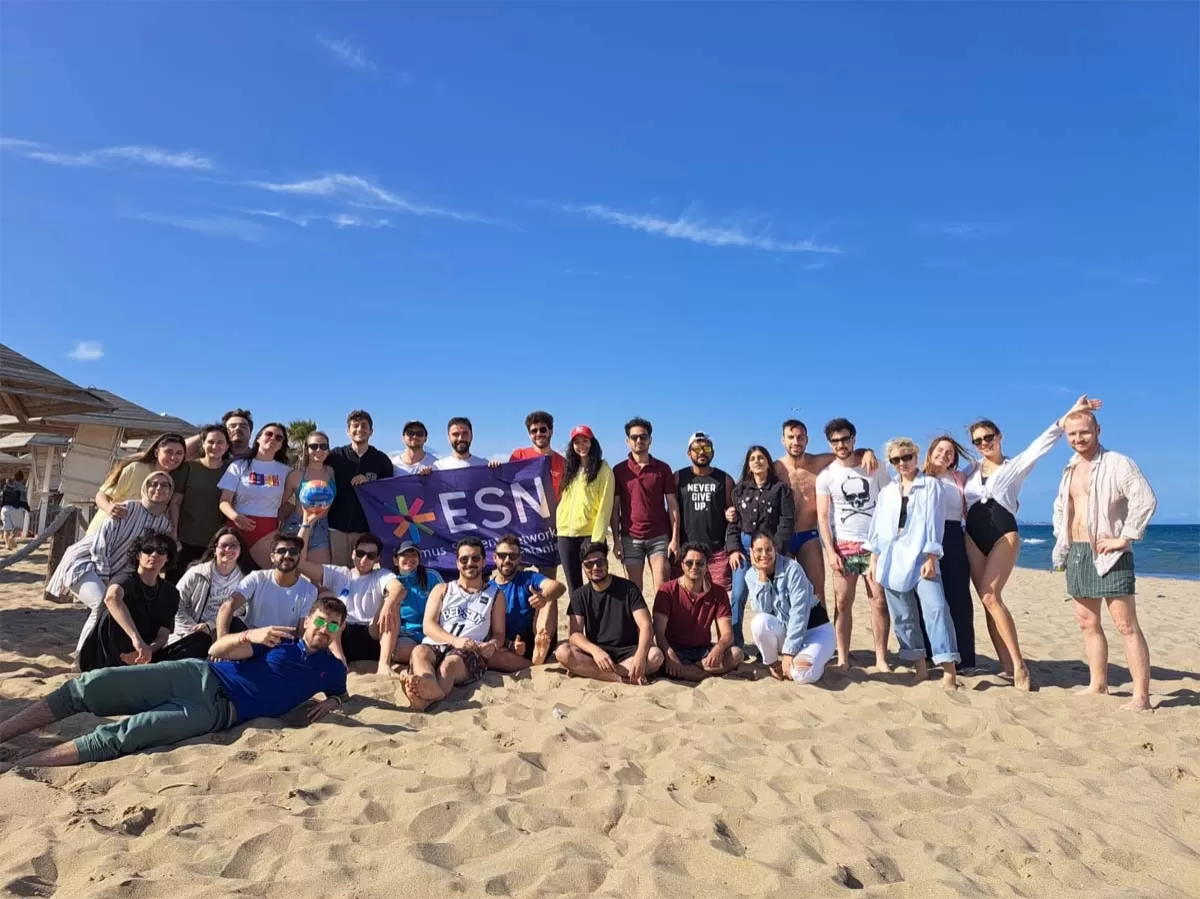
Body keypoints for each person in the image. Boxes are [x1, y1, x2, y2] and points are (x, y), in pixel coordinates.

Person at [0, 596, 350, 769]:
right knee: (92, 685)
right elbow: (217, 649)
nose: (324, 630)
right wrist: (251, 636)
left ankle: (19, 765)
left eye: (333, 625)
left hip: (218, 712)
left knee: (130, 735)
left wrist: (332, 702)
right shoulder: (277, 638)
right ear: (308, 620)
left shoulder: (331, 669)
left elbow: (341, 692)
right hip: (198, 673)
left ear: (340, 629)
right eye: (321, 621)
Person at [964, 395, 1101, 691]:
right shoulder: (969, 472)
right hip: (972, 537)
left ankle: (1019, 665)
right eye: (978, 440)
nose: (985, 443)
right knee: (988, 603)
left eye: (989, 437)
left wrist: (1072, 413)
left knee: (991, 596)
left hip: (1003, 534)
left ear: (1000, 437)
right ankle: (1005, 666)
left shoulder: (1016, 465)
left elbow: (1044, 441)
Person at [1052, 407, 1157, 711]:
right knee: (1087, 622)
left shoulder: (1117, 463)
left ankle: (1141, 696)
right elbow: (1061, 508)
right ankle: (1098, 685)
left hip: (1110, 552)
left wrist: (1125, 537)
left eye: (1084, 431)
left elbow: (1145, 498)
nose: (1078, 438)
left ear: (1098, 430)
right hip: (1078, 551)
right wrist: (1064, 539)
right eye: (1072, 434)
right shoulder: (1070, 468)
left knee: (1126, 625)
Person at [47, 471, 176, 656]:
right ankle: (81, 654)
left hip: (117, 571)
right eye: (153, 484)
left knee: (113, 608)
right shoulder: (127, 508)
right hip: (87, 562)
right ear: (145, 488)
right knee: (102, 603)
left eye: (165, 485)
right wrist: (106, 578)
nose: (159, 488)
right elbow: (101, 544)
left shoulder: (164, 525)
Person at [865, 439, 959, 689]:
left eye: (906, 457)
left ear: (915, 456)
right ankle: (920, 669)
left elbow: (935, 524)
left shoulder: (931, 486)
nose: (902, 463)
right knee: (904, 617)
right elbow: (878, 528)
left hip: (921, 558)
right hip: (891, 560)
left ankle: (949, 671)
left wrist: (931, 556)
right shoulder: (887, 491)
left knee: (937, 610)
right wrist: (873, 559)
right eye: (896, 460)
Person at [815, 418, 892, 670]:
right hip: (844, 545)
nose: (841, 444)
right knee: (842, 602)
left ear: (853, 439)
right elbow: (823, 517)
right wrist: (830, 551)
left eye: (845, 439)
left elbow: (890, 503)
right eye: (835, 441)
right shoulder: (826, 476)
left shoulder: (875, 467)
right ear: (830, 443)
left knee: (878, 601)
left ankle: (881, 658)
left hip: (873, 545)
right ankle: (843, 659)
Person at [776, 419, 878, 603]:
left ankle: (820, 632)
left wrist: (868, 452)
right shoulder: (775, 468)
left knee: (818, 592)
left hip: (809, 535)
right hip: (783, 536)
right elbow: (748, 486)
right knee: (783, 594)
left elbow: (846, 453)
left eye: (800, 437)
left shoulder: (819, 462)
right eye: (790, 437)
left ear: (807, 440)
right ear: (783, 440)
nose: (796, 441)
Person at [400, 537, 506, 711]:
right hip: (440, 643)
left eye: (475, 558)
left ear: (483, 562)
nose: (469, 563)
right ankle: (427, 687)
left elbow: (499, 634)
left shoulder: (495, 595)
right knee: (419, 651)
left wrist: (493, 645)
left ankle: (426, 697)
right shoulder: (443, 589)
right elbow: (428, 625)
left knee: (450, 665)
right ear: (457, 563)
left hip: (469, 650)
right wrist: (454, 640)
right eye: (464, 559)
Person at [296, 514, 405, 677]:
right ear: (353, 554)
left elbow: (399, 588)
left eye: (371, 555)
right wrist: (306, 525)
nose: (364, 559)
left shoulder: (381, 575)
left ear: (377, 559)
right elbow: (300, 563)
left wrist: (389, 604)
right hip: (341, 636)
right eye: (361, 553)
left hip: (373, 635)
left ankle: (384, 665)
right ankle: (340, 663)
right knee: (331, 611)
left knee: (392, 606)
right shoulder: (339, 573)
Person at [554, 540, 663, 684]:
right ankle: (621, 678)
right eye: (589, 564)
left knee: (655, 656)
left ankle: (592, 672)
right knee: (563, 652)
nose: (595, 567)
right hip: (597, 653)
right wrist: (595, 651)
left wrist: (640, 656)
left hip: (628, 651)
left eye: (600, 562)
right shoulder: (579, 595)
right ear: (583, 567)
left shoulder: (628, 588)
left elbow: (646, 625)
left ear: (607, 562)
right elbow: (575, 634)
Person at [76, 532, 179, 671]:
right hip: (109, 653)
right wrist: (137, 641)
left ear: (167, 558)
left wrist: (147, 650)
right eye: (148, 550)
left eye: (161, 551)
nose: (154, 554)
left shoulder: (170, 592)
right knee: (112, 615)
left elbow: (163, 633)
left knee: (198, 641)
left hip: (145, 656)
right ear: (138, 555)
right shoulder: (126, 578)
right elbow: (111, 597)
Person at [726, 445, 794, 652]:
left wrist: (775, 550)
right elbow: (733, 523)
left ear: (768, 462)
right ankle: (736, 644)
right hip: (745, 549)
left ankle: (773, 644)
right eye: (753, 458)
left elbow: (786, 521)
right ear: (748, 464)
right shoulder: (739, 490)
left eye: (761, 458)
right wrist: (734, 549)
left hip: (770, 550)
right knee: (738, 595)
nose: (757, 461)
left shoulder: (781, 489)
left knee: (772, 597)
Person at [744, 532, 835, 684]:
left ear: (776, 549)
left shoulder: (793, 569)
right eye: (759, 550)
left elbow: (799, 613)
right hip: (787, 631)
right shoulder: (750, 576)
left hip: (815, 630)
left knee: (800, 674)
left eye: (768, 549)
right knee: (758, 622)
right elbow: (763, 610)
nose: (764, 555)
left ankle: (816, 661)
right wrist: (762, 575)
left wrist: (789, 652)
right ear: (751, 552)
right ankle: (774, 664)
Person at [922, 436, 977, 670]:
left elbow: (983, 468)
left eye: (950, 452)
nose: (945, 455)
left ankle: (964, 658)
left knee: (959, 599)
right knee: (928, 600)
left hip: (953, 536)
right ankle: (929, 655)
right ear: (931, 451)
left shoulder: (959, 478)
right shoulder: (918, 477)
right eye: (940, 450)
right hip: (924, 539)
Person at [653, 543, 743, 681]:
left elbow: (727, 634)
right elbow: (658, 632)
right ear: (682, 565)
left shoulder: (718, 593)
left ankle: (690, 671)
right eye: (689, 563)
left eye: (700, 563)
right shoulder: (667, 590)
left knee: (737, 654)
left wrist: (719, 648)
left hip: (702, 652)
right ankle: (703, 674)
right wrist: (669, 652)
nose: (694, 567)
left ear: (707, 566)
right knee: (657, 658)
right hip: (674, 649)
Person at [611, 417, 680, 593]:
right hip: (630, 537)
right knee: (634, 590)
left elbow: (672, 504)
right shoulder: (619, 470)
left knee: (662, 587)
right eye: (634, 437)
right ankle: (638, 622)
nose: (639, 441)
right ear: (627, 441)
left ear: (650, 439)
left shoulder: (663, 468)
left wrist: (675, 539)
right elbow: (615, 507)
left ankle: (660, 622)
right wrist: (617, 541)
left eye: (643, 436)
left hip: (658, 537)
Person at [485, 534, 567, 672]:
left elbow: (559, 587)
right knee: (492, 655)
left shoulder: (528, 578)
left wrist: (543, 597)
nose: (507, 560)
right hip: (509, 644)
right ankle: (534, 666)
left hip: (537, 638)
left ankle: (539, 651)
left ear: (519, 559)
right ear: (495, 557)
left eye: (512, 556)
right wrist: (511, 645)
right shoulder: (488, 588)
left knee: (550, 598)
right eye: (502, 556)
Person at [167, 526, 252, 659]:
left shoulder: (245, 580)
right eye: (223, 545)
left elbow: (240, 610)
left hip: (221, 631)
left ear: (240, 550)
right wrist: (193, 630)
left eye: (233, 546)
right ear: (214, 550)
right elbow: (175, 603)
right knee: (198, 643)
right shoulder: (197, 573)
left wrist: (210, 626)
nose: (228, 550)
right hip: (189, 632)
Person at [217, 422, 291, 570]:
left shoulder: (286, 471)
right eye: (268, 434)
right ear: (258, 438)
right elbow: (224, 501)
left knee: (266, 577)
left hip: (267, 530)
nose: (272, 439)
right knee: (227, 575)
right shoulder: (239, 466)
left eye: (278, 438)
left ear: (281, 444)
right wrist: (235, 517)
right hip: (236, 527)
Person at [326, 410, 394, 566]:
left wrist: (370, 482)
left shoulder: (381, 460)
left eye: (364, 426)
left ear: (371, 431)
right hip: (337, 527)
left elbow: (388, 490)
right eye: (355, 426)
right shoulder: (335, 456)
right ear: (348, 430)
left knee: (362, 573)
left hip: (366, 529)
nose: (360, 429)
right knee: (338, 573)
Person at [215, 534, 319, 636]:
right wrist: (222, 641)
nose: (287, 556)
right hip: (251, 639)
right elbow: (228, 606)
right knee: (234, 624)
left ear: (299, 557)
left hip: (282, 645)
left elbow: (301, 633)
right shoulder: (257, 578)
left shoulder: (310, 590)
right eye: (282, 551)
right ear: (272, 557)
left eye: (293, 552)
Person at [88, 432, 186, 536]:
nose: (173, 457)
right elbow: (101, 495)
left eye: (179, 453)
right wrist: (108, 507)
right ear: (157, 452)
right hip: (104, 532)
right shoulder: (136, 468)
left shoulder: (173, 481)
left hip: (132, 540)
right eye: (168, 452)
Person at [555, 426, 615, 593]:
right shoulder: (569, 470)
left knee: (597, 583)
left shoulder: (603, 470)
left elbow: (605, 505)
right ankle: (578, 619)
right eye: (577, 442)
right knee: (574, 586)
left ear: (592, 442)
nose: (581, 445)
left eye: (585, 441)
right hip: (565, 535)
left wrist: (597, 540)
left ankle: (598, 619)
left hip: (590, 536)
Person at [674, 432, 735, 591]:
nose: (702, 452)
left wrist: (730, 513)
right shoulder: (679, 478)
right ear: (689, 453)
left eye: (706, 448)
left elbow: (732, 512)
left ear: (712, 452)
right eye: (696, 448)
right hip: (685, 551)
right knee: (685, 597)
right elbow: (671, 511)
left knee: (719, 597)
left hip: (717, 552)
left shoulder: (725, 479)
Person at [170, 424, 231, 578]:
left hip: (213, 544)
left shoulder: (232, 471)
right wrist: (173, 534)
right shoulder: (189, 467)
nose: (215, 446)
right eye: (210, 442)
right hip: (183, 540)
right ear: (203, 444)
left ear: (227, 446)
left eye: (220, 442)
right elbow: (175, 502)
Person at [281, 430, 336, 564]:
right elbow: (281, 502)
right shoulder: (296, 475)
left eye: (323, 446)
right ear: (306, 449)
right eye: (313, 446)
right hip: (297, 525)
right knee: (291, 571)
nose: (319, 450)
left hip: (321, 525)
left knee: (322, 577)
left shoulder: (330, 472)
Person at [390, 541, 445, 663]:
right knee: (403, 652)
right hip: (407, 634)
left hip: (433, 631)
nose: (410, 559)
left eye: (413, 555)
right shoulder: (391, 582)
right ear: (395, 560)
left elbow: (447, 602)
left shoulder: (431, 576)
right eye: (405, 555)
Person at [510, 410, 566, 498]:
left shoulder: (563, 463)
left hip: (554, 511)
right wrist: (494, 469)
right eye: (534, 431)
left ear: (551, 431)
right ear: (529, 434)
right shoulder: (518, 456)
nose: (538, 434)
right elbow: (505, 483)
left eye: (543, 430)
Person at [186, 409, 253, 462]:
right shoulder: (212, 454)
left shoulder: (259, 456)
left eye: (243, 426)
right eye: (232, 426)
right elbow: (183, 451)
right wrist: (209, 433)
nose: (237, 428)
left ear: (250, 432)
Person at [1, 471, 30, 550]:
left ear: (14, 478)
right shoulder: (22, 488)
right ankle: (12, 537)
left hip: (5, 509)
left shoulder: (7, 486)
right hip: (16, 509)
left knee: (6, 528)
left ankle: (7, 545)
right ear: (22, 479)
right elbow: (23, 501)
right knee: (18, 527)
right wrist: (27, 509)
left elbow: (3, 498)